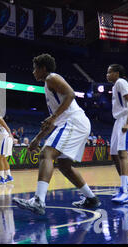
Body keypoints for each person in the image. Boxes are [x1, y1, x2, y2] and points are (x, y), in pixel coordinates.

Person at [13, 54, 100, 215]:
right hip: (75, 123)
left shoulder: (51, 78)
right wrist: (37, 138)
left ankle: (39, 200)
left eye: (35, 68)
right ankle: (91, 198)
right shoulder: (49, 88)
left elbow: (71, 94)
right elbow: (52, 123)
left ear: (43, 68)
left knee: (46, 153)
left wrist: (54, 116)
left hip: (74, 122)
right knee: (64, 165)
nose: (33, 72)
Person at [106, 64, 128, 203]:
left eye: (109, 72)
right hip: (119, 119)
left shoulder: (121, 82)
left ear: (117, 73)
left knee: (122, 153)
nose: (107, 75)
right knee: (114, 154)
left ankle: (124, 192)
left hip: (127, 118)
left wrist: (127, 122)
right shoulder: (115, 86)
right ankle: (126, 185)